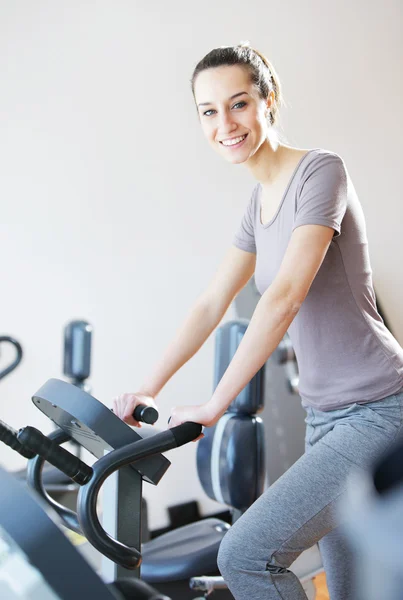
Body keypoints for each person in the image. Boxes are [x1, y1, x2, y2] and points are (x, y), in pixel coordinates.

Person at [113, 43, 403, 600]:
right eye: (208, 110)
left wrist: (213, 406)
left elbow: (284, 297)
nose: (225, 123)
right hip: (325, 420)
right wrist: (150, 385)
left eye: (239, 103)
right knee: (346, 589)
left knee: (246, 555)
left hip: (379, 410)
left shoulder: (321, 171)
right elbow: (211, 302)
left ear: (268, 101)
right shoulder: (258, 201)